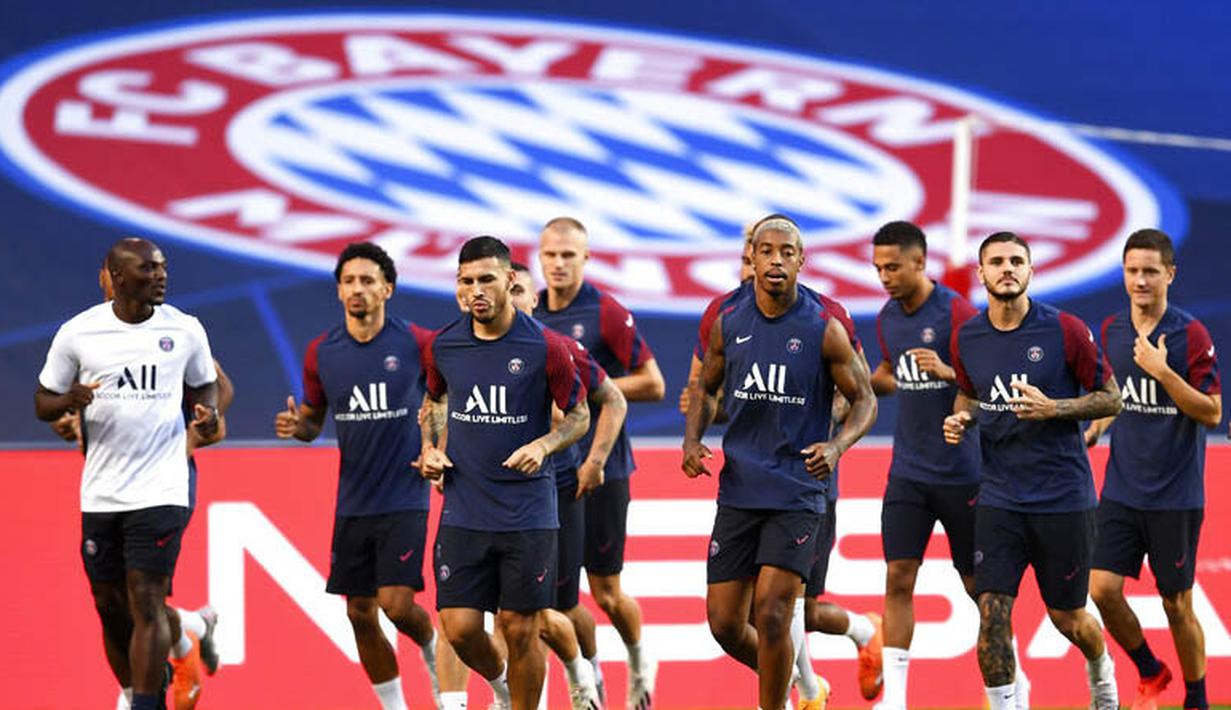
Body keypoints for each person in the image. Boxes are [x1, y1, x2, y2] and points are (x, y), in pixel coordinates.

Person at [682, 216, 877, 709]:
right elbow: (704, 387)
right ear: (751, 257)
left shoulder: (824, 325)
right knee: (726, 624)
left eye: (785, 252)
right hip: (740, 486)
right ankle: (795, 684)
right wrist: (691, 440)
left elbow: (865, 400)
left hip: (798, 488)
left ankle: (780, 702)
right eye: (764, 251)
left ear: (800, 260)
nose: (774, 260)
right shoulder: (727, 319)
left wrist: (836, 445)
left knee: (774, 614)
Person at [35, 237, 220, 710]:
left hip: (162, 485)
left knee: (146, 599)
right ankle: (181, 643)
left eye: (162, 268)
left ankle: (143, 702)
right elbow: (43, 401)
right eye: (147, 269)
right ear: (115, 278)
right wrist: (70, 401)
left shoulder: (184, 330)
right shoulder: (79, 334)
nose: (160, 276)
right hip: (101, 491)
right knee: (109, 605)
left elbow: (209, 385)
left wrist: (208, 418)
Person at [943, 232, 1121, 709]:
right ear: (980, 273)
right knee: (992, 612)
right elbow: (970, 393)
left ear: (1030, 271)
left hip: (1062, 496)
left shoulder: (1063, 328)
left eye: (1016, 260)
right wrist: (963, 417)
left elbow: (1111, 397)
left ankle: (1102, 669)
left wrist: (1055, 407)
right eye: (996, 261)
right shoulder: (968, 336)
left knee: (1067, 617)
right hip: (1000, 497)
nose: (1007, 268)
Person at [420, 236, 591, 710]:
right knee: (459, 626)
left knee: (521, 629)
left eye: (487, 279)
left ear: (510, 281)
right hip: (464, 509)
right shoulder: (444, 346)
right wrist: (432, 449)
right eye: (466, 281)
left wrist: (544, 444)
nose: (476, 289)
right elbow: (434, 400)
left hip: (527, 513)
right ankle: (502, 690)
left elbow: (579, 416)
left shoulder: (546, 347)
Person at [868, 221, 1030, 708]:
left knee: (979, 588)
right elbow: (888, 371)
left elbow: (990, 380)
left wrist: (947, 371)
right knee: (898, 576)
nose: (885, 277)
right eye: (878, 269)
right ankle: (895, 700)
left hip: (964, 473)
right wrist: (852, 383)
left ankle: (1013, 679)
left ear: (920, 262)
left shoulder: (958, 313)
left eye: (893, 266)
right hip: (908, 473)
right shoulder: (887, 317)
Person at [274, 242, 441, 710]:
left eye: (368, 281)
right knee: (359, 612)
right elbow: (312, 419)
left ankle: (431, 646)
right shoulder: (322, 352)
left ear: (387, 288)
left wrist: (437, 447)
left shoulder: (417, 342)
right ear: (338, 291)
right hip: (353, 501)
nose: (358, 289)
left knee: (396, 604)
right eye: (349, 281)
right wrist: (298, 427)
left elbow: (447, 398)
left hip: (406, 492)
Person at [1085, 229, 1221, 710]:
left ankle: (1197, 698)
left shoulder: (1190, 335)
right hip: (1122, 488)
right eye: (1132, 271)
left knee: (1176, 603)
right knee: (1101, 589)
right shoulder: (1112, 330)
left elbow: (1211, 412)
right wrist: (1099, 424)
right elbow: (1118, 394)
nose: (1140, 280)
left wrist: (1163, 371)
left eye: (1149, 271)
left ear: (1170, 274)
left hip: (1175, 495)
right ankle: (1149, 668)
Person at [534, 217, 665, 709]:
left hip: (604, 466)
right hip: (552, 473)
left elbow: (653, 384)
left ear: (586, 259)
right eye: (551, 255)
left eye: (569, 255)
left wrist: (583, 386)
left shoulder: (605, 311)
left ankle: (638, 662)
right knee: (559, 602)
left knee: (606, 591)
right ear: (539, 258)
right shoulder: (528, 314)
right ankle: (590, 678)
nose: (559, 264)